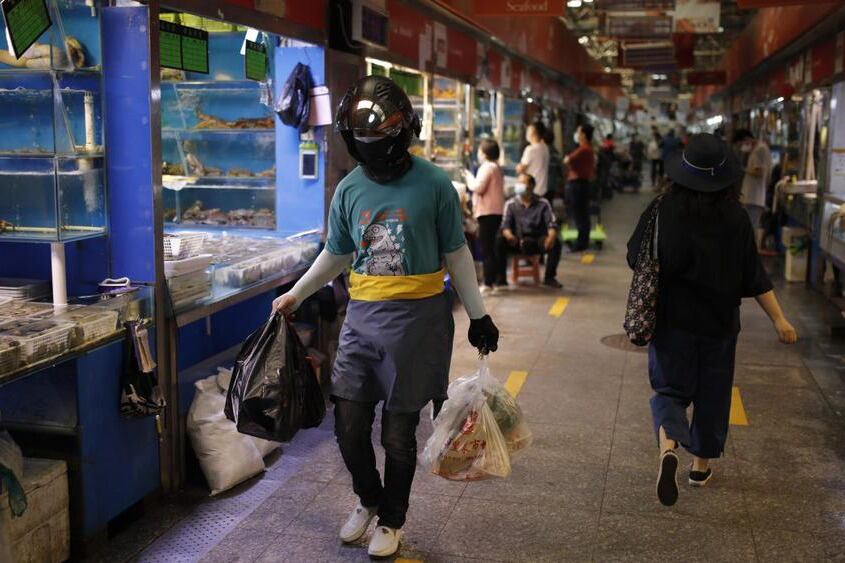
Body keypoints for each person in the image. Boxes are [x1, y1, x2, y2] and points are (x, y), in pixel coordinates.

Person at [271, 76, 500, 558]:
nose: (372, 151)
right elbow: (336, 254)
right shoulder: (349, 189)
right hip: (363, 320)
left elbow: (456, 253)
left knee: (398, 434)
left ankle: (392, 518)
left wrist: (479, 316)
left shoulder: (435, 184)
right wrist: (295, 294)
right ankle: (369, 500)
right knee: (348, 425)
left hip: (420, 323)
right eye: (363, 142)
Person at [626, 133, 797, 508]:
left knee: (670, 390)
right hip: (719, 325)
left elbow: (634, 256)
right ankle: (699, 467)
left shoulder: (662, 208)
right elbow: (754, 276)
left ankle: (669, 443)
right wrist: (780, 320)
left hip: (672, 321)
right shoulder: (735, 218)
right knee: (713, 396)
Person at [497, 173, 562, 288]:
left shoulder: (543, 203)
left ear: (532, 186)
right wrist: (510, 236)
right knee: (499, 241)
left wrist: (550, 238)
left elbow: (552, 223)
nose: (519, 186)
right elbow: (505, 225)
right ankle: (501, 279)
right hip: (517, 240)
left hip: (537, 240)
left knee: (556, 243)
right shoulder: (511, 204)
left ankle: (550, 277)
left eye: (523, 183)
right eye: (518, 183)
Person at [464, 139, 505, 294]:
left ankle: (488, 283)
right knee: (491, 247)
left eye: (480, 151)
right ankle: (495, 281)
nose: (478, 154)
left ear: (485, 153)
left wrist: (468, 177)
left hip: (488, 212)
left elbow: (478, 187)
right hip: (494, 212)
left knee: (486, 248)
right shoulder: (496, 167)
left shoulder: (487, 167)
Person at [735, 129, 773, 251]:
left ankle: (750, 255)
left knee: (751, 227)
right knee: (750, 226)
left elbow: (760, 171)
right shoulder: (757, 149)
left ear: (747, 139)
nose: (742, 147)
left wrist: (743, 170)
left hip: (754, 196)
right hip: (751, 196)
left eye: (741, 143)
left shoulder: (759, 150)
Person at [564, 124, 595, 252]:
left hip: (578, 185)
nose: (576, 134)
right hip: (582, 184)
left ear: (583, 135)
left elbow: (567, 160)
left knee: (580, 214)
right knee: (582, 214)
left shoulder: (584, 149)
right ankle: (583, 241)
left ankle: (581, 243)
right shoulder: (587, 149)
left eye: (578, 131)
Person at [516, 121, 550, 198]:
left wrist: (518, 167)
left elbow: (521, 169)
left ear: (533, 132)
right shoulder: (545, 148)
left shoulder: (530, 149)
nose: (526, 133)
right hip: (542, 189)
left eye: (528, 131)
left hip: (530, 190)